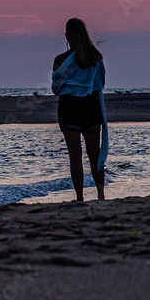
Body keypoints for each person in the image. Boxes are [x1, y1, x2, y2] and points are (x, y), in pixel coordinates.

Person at [51, 18, 107, 202]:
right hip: (91, 110)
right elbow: (100, 84)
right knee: (94, 156)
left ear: (67, 36)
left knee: (75, 157)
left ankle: (80, 197)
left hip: (69, 111)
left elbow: (56, 89)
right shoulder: (96, 58)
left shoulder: (60, 60)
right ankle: (100, 193)